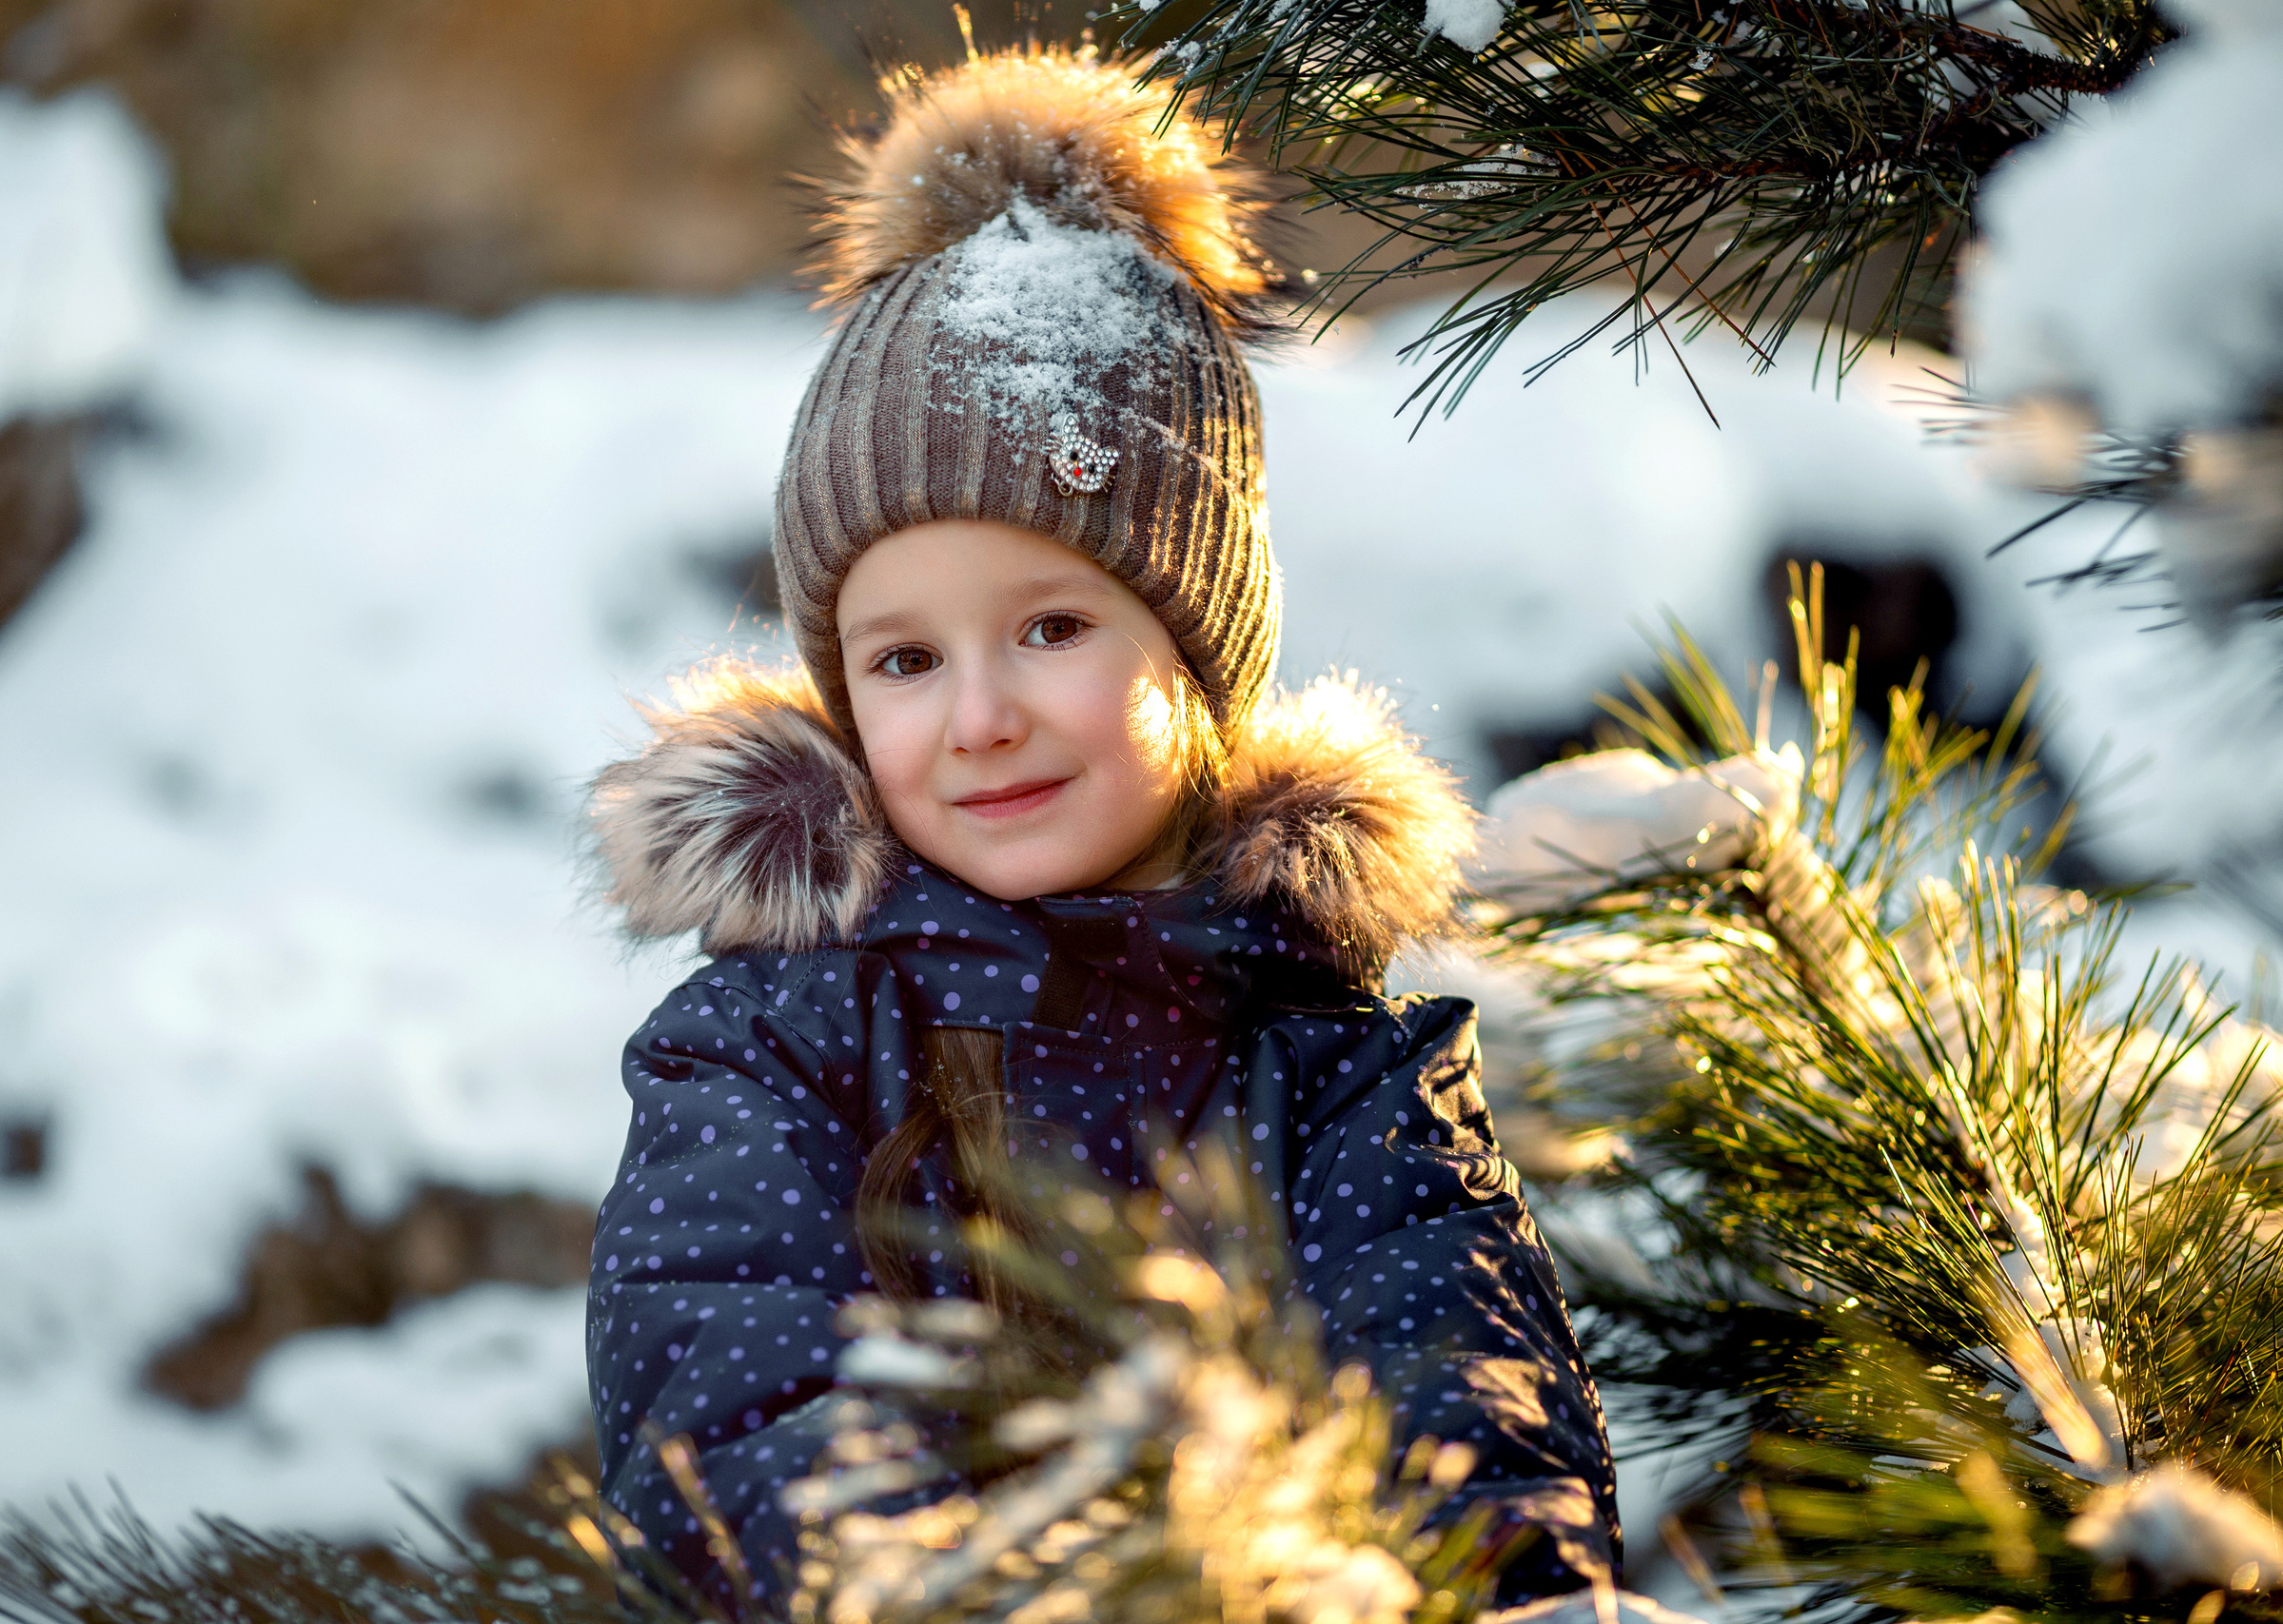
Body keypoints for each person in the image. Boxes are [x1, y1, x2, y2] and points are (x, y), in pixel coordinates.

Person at [583, 43, 1615, 1612]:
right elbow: (724, 1388)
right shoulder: (772, 1044)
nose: (979, 716)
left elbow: (1465, 1418)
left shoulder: (1333, 1065)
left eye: (1053, 629)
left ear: (1197, 652)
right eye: (904, 662)